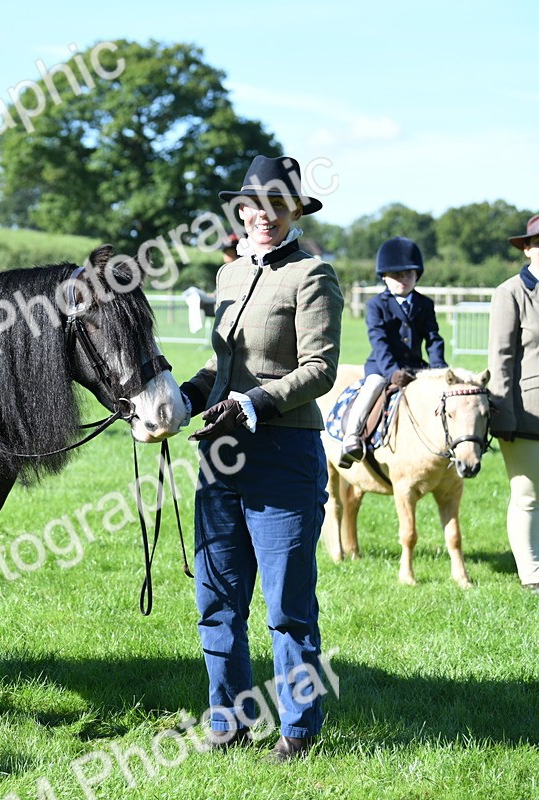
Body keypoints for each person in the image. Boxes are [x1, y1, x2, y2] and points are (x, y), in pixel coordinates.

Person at [178, 155, 344, 762]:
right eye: (254, 206)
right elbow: (218, 367)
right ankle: (228, 719)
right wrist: (185, 397)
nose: (264, 217)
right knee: (216, 599)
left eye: (278, 207)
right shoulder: (228, 277)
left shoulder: (312, 273)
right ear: (241, 212)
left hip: (283, 455)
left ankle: (298, 730)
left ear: (294, 211)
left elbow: (320, 369)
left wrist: (254, 403)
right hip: (220, 454)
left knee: (286, 607)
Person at [340, 236, 447, 466]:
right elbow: (379, 342)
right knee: (372, 387)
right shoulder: (375, 305)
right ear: (384, 278)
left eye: (408, 274)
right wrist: (392, 372)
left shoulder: (425, 304)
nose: (402, 280)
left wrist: (438, 368)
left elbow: (433, 338)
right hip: (382, 365)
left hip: (417, 367)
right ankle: (351, 438)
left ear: (416, 275)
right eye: (396, 276)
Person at [489, 214, 539, 592]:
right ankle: (532, 574)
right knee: (527, 495)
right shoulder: (511, 292)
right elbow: (500, 358)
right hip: (526, 413)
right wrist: (503, 414)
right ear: (526, 248)